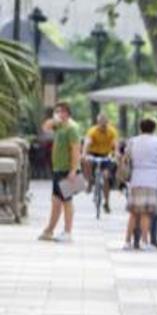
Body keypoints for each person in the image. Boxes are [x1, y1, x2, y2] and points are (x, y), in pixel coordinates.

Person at [124, 118, 157, 250]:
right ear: (154, 129)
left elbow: (125, 158)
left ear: (140, 128)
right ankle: (145, 242)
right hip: (151, 179)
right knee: (145, 213)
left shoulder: (133, 141)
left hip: (135, 179)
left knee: (133, 212)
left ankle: (127, 241)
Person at [39, 102, 81, 242]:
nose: (59, 114)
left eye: (62, 111)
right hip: (58, 168)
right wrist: (54, 119)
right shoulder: (60, 126)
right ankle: (49, 230)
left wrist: (74, 170)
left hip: (67, 169)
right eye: (57, 111)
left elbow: (76, 149)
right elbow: (45, 127)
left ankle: (67, 232)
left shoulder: (72, 128)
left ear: (68, 113)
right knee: (56, 201)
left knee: (67, 201)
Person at [82, 114, 119, 213]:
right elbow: (87, 142)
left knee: (106, 177)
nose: (103, 127)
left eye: (105, 124)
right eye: (101, 124)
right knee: (87, 161)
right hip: (94, 153)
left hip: (106, 155)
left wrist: (117, 153)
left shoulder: (112, 131)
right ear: (97, 123)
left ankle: (106, 202)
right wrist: (84, 153)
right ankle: (90, 181)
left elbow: (116, 144)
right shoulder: (93, 131)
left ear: (107, 123)